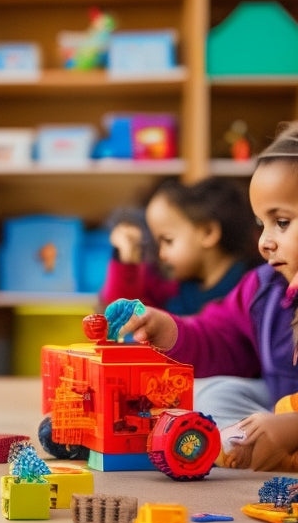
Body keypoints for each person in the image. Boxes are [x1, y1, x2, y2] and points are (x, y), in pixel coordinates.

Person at [108, 121, 298, 470]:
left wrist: (292, 427)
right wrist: (168, 329)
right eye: (262, 224)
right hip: (277, 405)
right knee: (210, 392)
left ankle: (270, 448)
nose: (265, 241)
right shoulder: (264, 287)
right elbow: (220, 336)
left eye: (282, 222)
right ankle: (254, 444)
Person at [100, 176, 259, 314]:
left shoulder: (250, 288)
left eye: (168, 241)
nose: (161, 254)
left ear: (207, 232)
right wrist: (126, 263)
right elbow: (128, 316)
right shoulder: (177, 291)